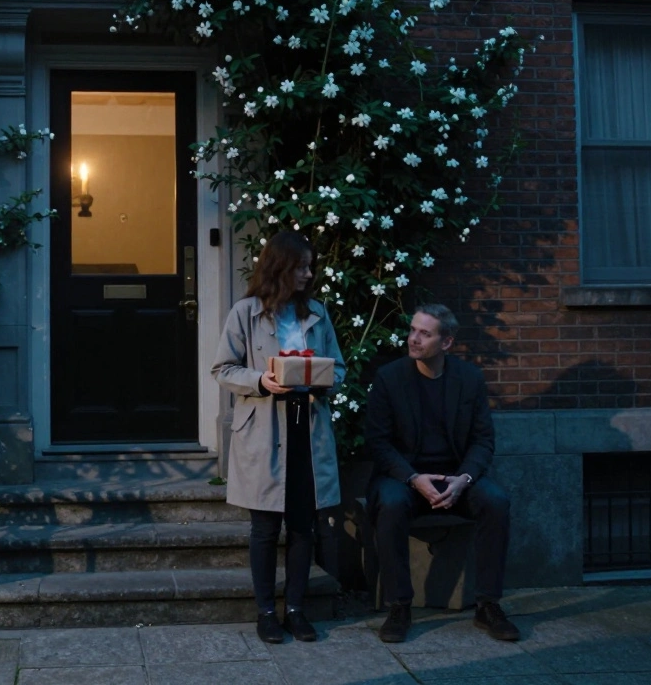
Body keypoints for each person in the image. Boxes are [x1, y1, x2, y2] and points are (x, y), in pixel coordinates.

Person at [212, 231, 346, 644]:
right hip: (264, 427)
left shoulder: (318, 314)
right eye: (301, 266)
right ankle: (266, 612)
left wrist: (323, 380)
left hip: (308, 426)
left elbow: (339, 370)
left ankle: (297, 610)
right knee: (265, 528)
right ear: (280, 267)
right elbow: (222, 369)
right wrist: (263, 380)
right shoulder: (245, 313)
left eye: (310, 266)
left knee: (304, 525)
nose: (308, 274)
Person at [365, 304, 519, 643]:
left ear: (446, 342)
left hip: (454, 479)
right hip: (403, 479)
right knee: (390, 504)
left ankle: (488, 605)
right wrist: (412, 478)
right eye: (413, 330)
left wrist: (464, 479)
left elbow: (482, 440)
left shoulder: (469, 379)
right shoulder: (390, 378)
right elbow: (378, 442)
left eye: (425, 333)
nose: (413, 339)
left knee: (496, 501)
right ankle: (399, 606)